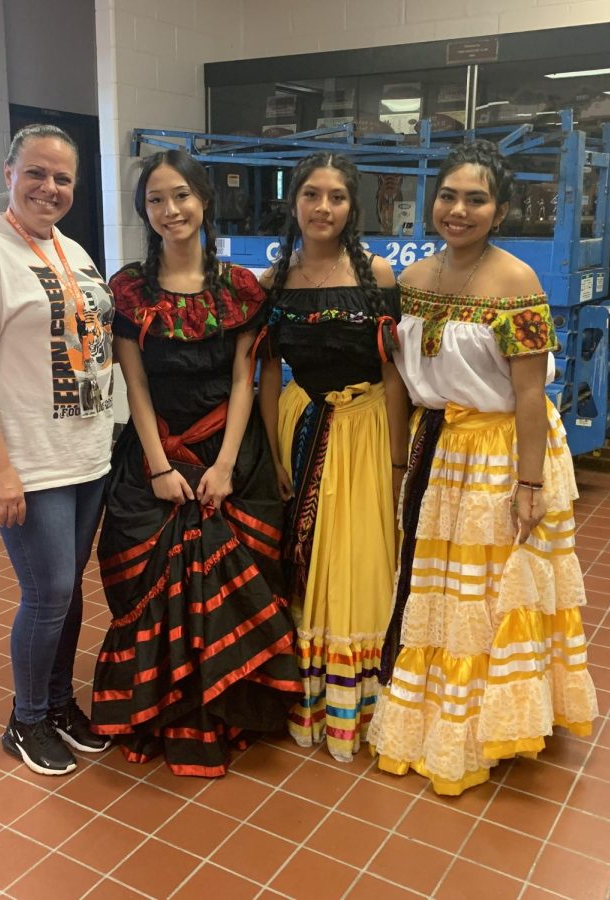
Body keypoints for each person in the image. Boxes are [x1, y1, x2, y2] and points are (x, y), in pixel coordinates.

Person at [369, 140, 598, 796]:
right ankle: (435, 713)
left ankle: (490, 722)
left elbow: (530, 394)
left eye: (476, 199)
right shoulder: (410, 283)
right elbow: (399, 381)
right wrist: (395, 460)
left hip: (502, 451)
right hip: (438, 448)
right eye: (448, 196)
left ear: (499, 209)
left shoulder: (517, 281)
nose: (459, 210)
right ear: (430, 201)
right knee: (437, 590)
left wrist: (528, 485)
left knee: (492, 592)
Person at [90, 149, 300, 777]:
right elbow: (136, 385)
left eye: (181, 195)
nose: (170, 210)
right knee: (141, 579)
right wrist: (158, 467)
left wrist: (227, 465)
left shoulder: (240, 288)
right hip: (155, 454)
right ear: (143, 210)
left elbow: (245, 378)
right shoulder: (126, 289)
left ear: (204, 200)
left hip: (227, 457)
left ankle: (230, 710)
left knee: (239, 579)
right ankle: (158, 708)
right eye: (155, 199)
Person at [0, 124, 114, 777]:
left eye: (63, 177)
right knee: (49, 593)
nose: (50, 187)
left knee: (69, 597)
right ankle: (27, 719)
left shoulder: (73, 251)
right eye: (36, 172)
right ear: (8, 173)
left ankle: (61, 705)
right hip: (29, 462)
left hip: (87, 455)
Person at [257, 152, 409, 763]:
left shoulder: (377, 275)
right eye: (312, 195)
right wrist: (272, 452)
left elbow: (394, 374)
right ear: (293, 202)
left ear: (353, 206)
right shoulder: (274, 282)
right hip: (304, 424)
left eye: (337, 197)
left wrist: (397, 462)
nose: (324, 208)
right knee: (306, 559)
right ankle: (308, 692)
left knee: (361, 560)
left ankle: (362, 704)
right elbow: (267, 373)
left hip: (367, 431)